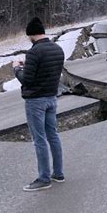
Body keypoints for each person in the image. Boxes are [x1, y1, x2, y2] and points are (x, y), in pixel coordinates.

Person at [13, 17, 65, 191]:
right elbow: (47, 71)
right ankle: (58, 173)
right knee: (53, 135)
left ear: (31, 35)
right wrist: (28, 65)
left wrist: (17, 69)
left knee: (39, 139)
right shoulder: (58, 49)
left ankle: (44, 178)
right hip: (52, 98)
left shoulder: (34, 53)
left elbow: (27, 80)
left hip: (35, 101)